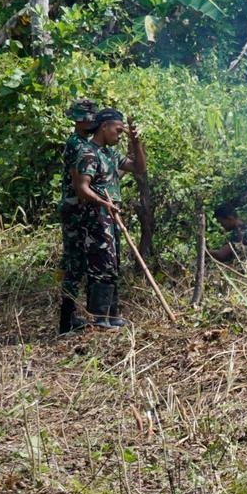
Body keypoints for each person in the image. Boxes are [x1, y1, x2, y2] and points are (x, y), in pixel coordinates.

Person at [73, 108, 146, 329]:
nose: (120, 134)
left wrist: (136, 142)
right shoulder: (88, 152)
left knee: (113, 263)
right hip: (96, 215)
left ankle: (111, 314)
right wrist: (104, 203)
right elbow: (82, 188)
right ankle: (99, 318)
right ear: (104, 127)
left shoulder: (111, 155)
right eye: (118, 129)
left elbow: (139, 168)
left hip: (111, 215)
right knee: (101, 264)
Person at [57, 99, 99, 334]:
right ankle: (66, 320)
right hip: (75, 210)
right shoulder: (76, 144)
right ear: (81, 121)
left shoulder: (83, 142)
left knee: (77, 262)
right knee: (74, 263)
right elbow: (78, 182)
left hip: (77, 209)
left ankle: (69, 317)